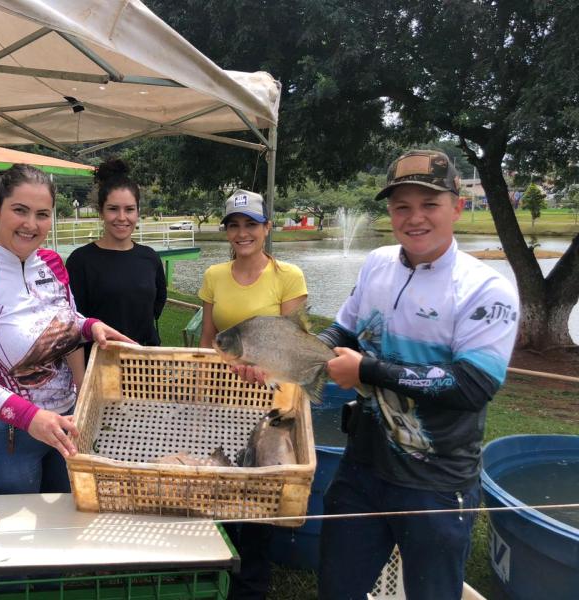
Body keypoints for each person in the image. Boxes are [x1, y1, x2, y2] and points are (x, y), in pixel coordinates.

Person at [316, 150, 520, 599]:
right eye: (401, 206)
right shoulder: (377, 263)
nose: (415, 218)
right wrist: (293, 357)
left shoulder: (485, 289)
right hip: (362, 470)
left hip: (437, 484)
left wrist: (366, 369)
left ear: (457, 206)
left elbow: (471, 386)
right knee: (337, 589)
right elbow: (343, 328)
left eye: (430, 204)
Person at [0, 163, 133, 496]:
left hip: (66, 423)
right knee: (16, 537)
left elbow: (64, 322)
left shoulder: (53, 263)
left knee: (67, 523)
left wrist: (89, 325)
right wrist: (29, 417)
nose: (31, 224)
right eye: (20, 210)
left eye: (42, 214)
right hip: (2, 435)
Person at [198, 189, 308, 600]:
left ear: (266, 228)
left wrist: (266, 370)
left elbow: (294, 341)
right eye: (234, 225)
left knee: (260, 492)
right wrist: (205, 385)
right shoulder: (214, 276)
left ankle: (250, 585)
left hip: (271, 396)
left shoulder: (288, 276)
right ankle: (216, 573)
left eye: (250, 224)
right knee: (220, 484)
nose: (242, 233)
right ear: (227, 231)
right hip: (223, 395)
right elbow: (210, 339)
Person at [67, 158, 166, 361]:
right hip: (99, 365)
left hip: (145, 366)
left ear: (138, 211)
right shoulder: (81, 261)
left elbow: (156, 306)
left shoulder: (150, 258)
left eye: (129, 209)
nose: (122, 217)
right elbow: (73, 324)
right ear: (101, 211)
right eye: (113, 209)